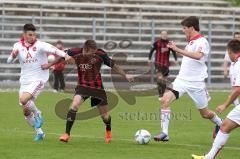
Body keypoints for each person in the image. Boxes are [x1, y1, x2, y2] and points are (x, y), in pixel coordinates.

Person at [42, 40, 134, 143]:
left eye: (95, 52)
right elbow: (61, 56)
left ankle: (108, 130)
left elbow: (114, 66)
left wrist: (125, 75)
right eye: (91, 52)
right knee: (74, 105)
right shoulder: (75, 52)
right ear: (85, 49)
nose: (94, 54)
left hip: (97, 88)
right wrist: (49, 65)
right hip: (83, 86)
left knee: (105, 116)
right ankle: (66, 134)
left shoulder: (101, 54)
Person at [153, 16, 222, 142]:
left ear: (191, 27)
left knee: (205, 114)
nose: (183, 30)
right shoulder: (191, 41)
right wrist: (179, 46)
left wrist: (177, 49)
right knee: (164, 100)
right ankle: (165, 133)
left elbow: (197, 56)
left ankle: (220, 123)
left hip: (196, 83)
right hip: (181, 80)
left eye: (184, 28)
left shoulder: (202, 41)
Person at [7, 24, 69, 141]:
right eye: (30, 35)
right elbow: (9, 61)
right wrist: (13, 56)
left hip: (38, 79)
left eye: (34, 34)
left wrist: (66, 55)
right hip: (24, 81)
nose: (33, 37)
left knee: (24, 100)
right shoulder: (17, 46)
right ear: (24, 35)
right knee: (25, 111)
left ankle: (38, 112)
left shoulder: (41, 45)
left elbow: (56, 51)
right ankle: (39, 133)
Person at [192, 39, 240, 159]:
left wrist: (225, 105)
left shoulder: (238, 64)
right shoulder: (236, 63)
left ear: (229, 51)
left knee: (225, 126)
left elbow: (237, 90)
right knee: (225, 126)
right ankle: (209, 157)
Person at [148, 30, 178, 98]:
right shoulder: (157, 43)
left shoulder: (169, 43)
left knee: (164, 80)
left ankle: (163, 93)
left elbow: (173, 51)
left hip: (166, 64)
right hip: (158, 64)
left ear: (167, 35)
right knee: (159, 78)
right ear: (160, 35)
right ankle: (160, 94)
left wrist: (175, 59)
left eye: (165, 34)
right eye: (163, 34)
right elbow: (151, 50)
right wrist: (149, 59)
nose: (164, 35)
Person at [223, 32, 240, 106]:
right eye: (236, 37)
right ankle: (236, 104)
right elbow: (226, 59)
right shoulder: (230, 48)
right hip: (234, 68)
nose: (237, 38)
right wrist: (225, 70)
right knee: (235, 88)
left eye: (238, 37)